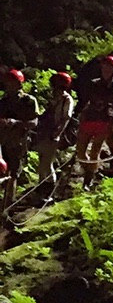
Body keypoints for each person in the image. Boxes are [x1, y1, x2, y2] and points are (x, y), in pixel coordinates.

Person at [75, 56, 113, 186]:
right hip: (90, 118)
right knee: (80, 151)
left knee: (95, 150)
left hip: (105, 120)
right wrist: (79, 115)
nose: (106, 69)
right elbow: (85, 101)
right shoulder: (93, 84)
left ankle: (88, 180)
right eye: (104, 66)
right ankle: (91, 170)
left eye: (109, 67)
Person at [31, 71, 75, 199]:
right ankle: (41, 186)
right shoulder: (53, 98)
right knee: (42, 160)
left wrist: (57, 133)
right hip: (46, 132)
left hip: (56, 134)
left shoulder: (67, 100)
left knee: (47, 162)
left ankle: (49, 190)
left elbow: (66, 118)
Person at [0, 69, 38, 208]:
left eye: (12, 83)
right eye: (7, 83)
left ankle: (8, 206)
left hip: (18, 142)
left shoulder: (28, 101)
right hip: (2, 141)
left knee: (13, 174)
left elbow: (33, 123)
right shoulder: (2, 102)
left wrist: (15, 123)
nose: (9, 86)